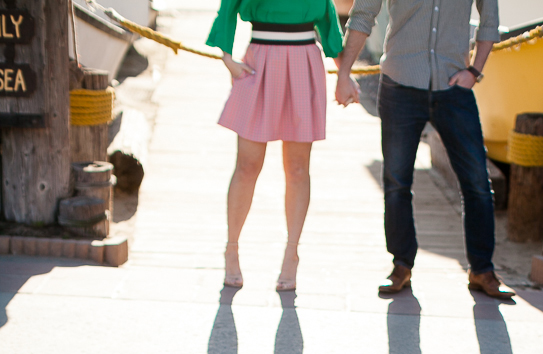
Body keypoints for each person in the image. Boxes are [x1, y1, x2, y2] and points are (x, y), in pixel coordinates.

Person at [336, 0, 514, 300]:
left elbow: (490, 20)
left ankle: (482, 270)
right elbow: (363, 13)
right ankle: (401, 266)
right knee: (396, 182)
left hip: (454, 87)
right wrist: (344, 73)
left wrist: (474, 71)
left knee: (478, 184)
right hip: (400, 84)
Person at [207, 0, 343, 291]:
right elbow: (228, 6)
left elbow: (329, 19)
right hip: (260, 59)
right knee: (247, 165)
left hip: (304, 61)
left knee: (297, 169)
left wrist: (345, 76)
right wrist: (226, 56)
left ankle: (291, 253)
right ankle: (232, 248)